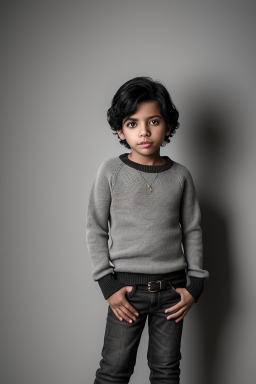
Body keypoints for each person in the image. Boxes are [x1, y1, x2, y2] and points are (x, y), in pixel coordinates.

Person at [86, 76, 209, 384]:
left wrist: (195, 285)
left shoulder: (181, 175)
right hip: (125, 291)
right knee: (113, 372)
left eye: (153, 121)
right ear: (119, 130)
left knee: (167, 373)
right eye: (132, 123)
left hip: (172, 292)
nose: (143, 131)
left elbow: (192, 230)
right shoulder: (111, 172)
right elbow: (96, 228)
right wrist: (107, 285)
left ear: (167, 126)